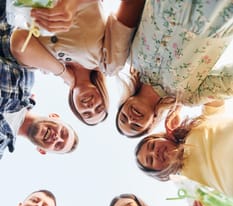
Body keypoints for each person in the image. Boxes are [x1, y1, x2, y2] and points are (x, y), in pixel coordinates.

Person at [10, 0, 146, 126]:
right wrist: (71, 5)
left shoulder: (46, 67)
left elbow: (18, 42)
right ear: (104, 96)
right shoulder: (109, 63)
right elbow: (131, 3)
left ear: (74, 105)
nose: (91, 106)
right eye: (99, 107)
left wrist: (64, 73)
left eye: (86, 113)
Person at [116, 0, 233, 137]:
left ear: (124, 102)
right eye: (136, 126)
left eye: (123, 117)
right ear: (152, 122)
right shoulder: (187, 97)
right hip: (214, 13)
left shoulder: (129, 57)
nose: (131, 119)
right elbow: (227, 83)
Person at [0, 2, 78, 158]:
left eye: (58, 145)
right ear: (55, 116)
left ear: (42, 151)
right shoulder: (26, 80)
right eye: (63, 133)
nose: (57, 137)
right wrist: (66, 75)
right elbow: (13, 37)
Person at [135, 100, 233, 197]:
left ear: (162, 137)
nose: (154, 153)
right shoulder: (187, 183)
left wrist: (178, 105)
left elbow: (214, 98)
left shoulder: (195, 127)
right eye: (150, 160)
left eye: (152, 146)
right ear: (158, 171)